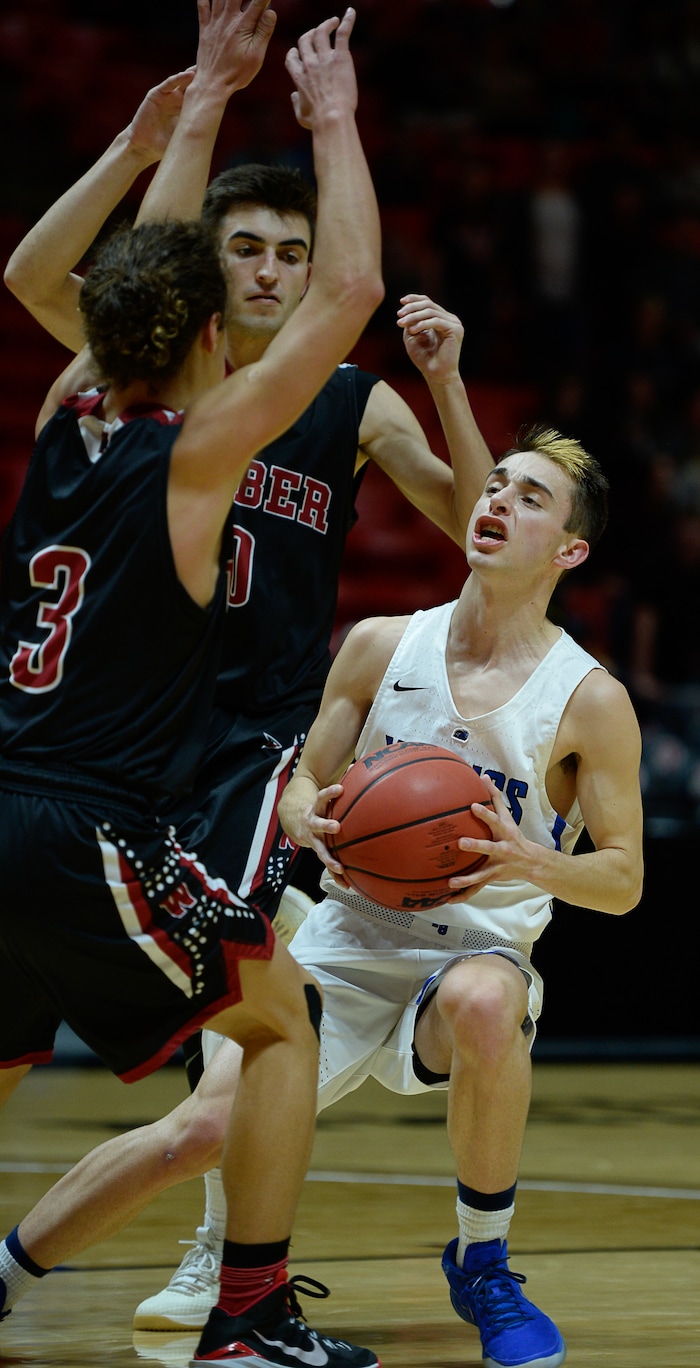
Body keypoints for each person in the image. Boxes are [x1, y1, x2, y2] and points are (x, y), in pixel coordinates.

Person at [4, 21, 494, 1333]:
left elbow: (476, 522)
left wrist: (198, 110)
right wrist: (319, 116)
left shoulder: (85, 399)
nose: (271, 274)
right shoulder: (207, 429)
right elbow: (339, 289)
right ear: (206, 305)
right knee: (266, 1025)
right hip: (112, 774)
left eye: (288, 249)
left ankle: (178, 1269)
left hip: (170, 755)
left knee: (195, 1033)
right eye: (243, 257)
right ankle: (245, 1302)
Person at [274, 424, 644, 1368]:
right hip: (352, 930)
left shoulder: (589, 697)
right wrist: (309, 817)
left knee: (489, 1001)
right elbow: (299, 787)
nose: (497, 503)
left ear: (570, 551)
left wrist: (533, 861)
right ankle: (51, 1269)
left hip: (470, 955)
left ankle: (484, 1263)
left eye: (530, 498)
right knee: (194, 1127)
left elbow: (624, 879)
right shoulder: (381, 643)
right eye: (495, 488)